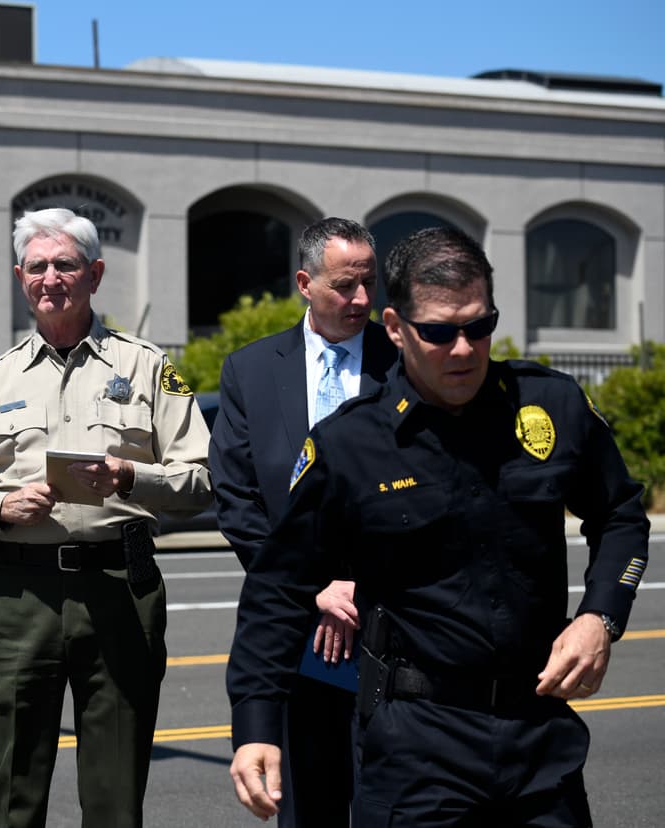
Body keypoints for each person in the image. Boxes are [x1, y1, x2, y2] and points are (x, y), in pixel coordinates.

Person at [228, 226, 650, 826]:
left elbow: (620, 514)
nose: (463, 349)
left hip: (539, 741)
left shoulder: (548, 407)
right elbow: (278, 585)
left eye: (479, 326)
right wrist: (256, 724)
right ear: (396, 327)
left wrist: (599, 617)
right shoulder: (350, 444)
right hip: (416, 750)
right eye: (439, 332)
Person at [0, 207, 212, 827]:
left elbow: (203, 479)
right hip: (22, 594)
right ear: (21, 276)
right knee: (16, 791)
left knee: (115, 790)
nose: (51, 277)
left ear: (95, 274)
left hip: (119, 590)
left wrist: (131, 475)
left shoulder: (147, 367)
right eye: (37, 266)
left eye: (66, 265)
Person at [209, 217, 396, 827]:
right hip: (293, 626)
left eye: (370, 283)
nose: (363, 299)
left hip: (390, 625)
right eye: (346, 286)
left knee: (391, 802)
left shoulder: (405, 366)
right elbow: (237, 499)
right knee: (307, 806)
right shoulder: (252, 371)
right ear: (305, 283)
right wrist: (309, 587)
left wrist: (359, 586)